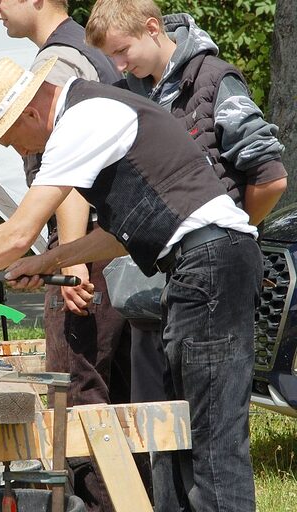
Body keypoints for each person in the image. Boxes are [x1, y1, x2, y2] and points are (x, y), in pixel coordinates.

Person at [0, 56, 263, 512]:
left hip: (212, 265)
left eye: (9, 139)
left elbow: (18, 231)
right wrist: (51, 260)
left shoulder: (81, 118)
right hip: (200, 266)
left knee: (212, 444)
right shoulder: (94, 110)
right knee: (177, 433)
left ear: (28, 112)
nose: (19, 151)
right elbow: (123, 232)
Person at [84, 3, 287, 509]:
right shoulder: (134, 91)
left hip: (212, 271)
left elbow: (270, 176)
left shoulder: (214, 81)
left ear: (153, 29)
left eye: (123, 52)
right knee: (162, 427)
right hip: (162, 283)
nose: (121, 65)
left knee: (213, 436)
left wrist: (226, 233)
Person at [0, 1, 133, 509]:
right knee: (109, 395)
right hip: (102, 245)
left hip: (87, 247)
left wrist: (67, 260)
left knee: (79, 397)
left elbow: (69, 177)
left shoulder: (60, 64)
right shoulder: (71, 52)